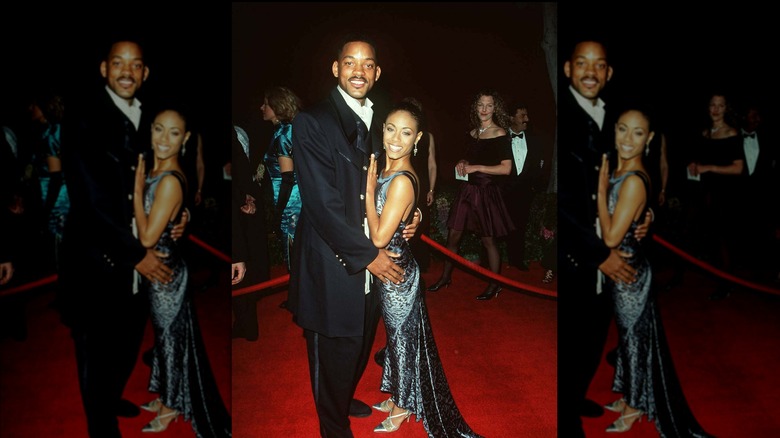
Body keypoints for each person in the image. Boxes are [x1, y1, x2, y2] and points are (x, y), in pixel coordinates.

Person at [286, 34, 419, 437]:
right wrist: (369, 257)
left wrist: (411, 217)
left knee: (359, 342)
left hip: (373, 252)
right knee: (333, 346)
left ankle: (341, 398)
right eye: (350, 62)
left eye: (367, 64)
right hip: (334, 258)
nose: (358, 71)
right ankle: (332, 424)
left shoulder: (381, 119)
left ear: (376, 72)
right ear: (336, 68)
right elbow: (321, 206)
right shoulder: (311, 121)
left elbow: (393, 177)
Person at [57, 39, 185, 438]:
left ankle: (109, 397)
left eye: (135, 64)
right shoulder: (84, 118)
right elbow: (90, 199)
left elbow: (166, 168)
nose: (127, 71)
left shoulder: (149, 117)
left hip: (139, 257)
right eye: (118, 63)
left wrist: (180, 214)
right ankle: (101, 424)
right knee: (95, 348)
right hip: (100, 258)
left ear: (145, 73)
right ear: (104, 69)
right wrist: (136, 255)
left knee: (127, 341)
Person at [366, 101, 482, 436]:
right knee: (397, 337)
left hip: (397, 275)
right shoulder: (386, 170)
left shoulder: (399, 180)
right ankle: (397, 392)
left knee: (402, 340)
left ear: (418, 138)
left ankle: (402, 407)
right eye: (390, 129)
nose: (396, 138)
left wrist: (369, 192)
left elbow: (378, 237)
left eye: (406, 132)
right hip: (393, 271)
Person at [597, 106, 712, 436]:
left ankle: (634, 405)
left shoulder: (631, 179)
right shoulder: (621, 171)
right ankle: (631, 393)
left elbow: (610, 237)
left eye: (637, 133)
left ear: (648, 139)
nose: (628, 139)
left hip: (628, 273)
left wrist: (602, 190)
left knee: (633, 339)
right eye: (622, 129)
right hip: (625, 270)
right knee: (630, 336)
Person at [557, 39, 647, 438]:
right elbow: (561, 204)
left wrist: (644, 215)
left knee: (593, 335)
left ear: (609, 73)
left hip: (607, 248)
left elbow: (631, 170)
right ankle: (565, 415)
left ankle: (574, 397)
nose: (590, 71)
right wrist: (598, 254)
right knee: (570, 338)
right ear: (567, 69)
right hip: (578, 255)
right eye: (582, 63)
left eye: (599, 65)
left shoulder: (614, 119)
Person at [133, 105, 231, 436]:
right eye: (159, 129)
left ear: (185, 138)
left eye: (173, 133)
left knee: (170, 340)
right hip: (157, 270)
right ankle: (165, 396)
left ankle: (173, 405)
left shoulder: (170, 180)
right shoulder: (157, 172)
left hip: (166, 275)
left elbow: (146, 236)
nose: (164, 138)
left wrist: (135, 189)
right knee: (165, 339)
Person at [427, 89, 515, 300]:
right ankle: (446, 277)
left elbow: (506, 169)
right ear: (475, 108)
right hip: (467, 192)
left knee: (488, 241)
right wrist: (463, 162)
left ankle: (495, 284)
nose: (484, 109)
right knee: (453, 236)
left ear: (496, 108)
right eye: (480, 105)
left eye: (489, 105)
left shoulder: (500, 133)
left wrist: (476, 167)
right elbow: (468, 160)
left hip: (486, 192)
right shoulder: (473, 133)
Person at [686, 92, 745, 300]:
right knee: (710, 236)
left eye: (721, 105)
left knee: (724, 239)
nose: (716, 109)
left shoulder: (732, 133)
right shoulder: (704, 133)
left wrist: (709, 167)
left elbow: (738, 168)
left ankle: (727, 282)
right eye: (713, 105)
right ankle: (719, 276)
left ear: (726, 108)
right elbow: (700, 160)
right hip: (707, 191)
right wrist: (694, 164)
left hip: (727, 193)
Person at [231, 123, 269, 341]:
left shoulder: (237, 133)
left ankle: (247, 326)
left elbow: (240, 169)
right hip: (242, 201)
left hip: (239, 208)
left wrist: (246, 195)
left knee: (238, 273)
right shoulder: (237, 132)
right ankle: (245, 323)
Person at [27, 93, 69, 270]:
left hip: (58, 203)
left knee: (61, 254)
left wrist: (46, 210)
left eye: (33, 105)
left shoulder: (51, 133)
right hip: (62, 198)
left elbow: (56, 175)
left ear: (44, 107)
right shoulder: (57, 128)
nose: (29, 109)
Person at [503, 101, 546, 271]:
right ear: (511, 117)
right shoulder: (500, 138)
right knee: (495, 229)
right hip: (501, 193)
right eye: (523, 115)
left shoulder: (535, 140)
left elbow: (539, 166)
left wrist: (533, 188)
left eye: (527, 115)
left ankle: (516, 261)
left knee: (519, 228)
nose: (527, 119)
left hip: (524, 194)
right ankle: (489, 265)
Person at [404, 96, 437, 274]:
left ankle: (421, 264)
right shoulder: (403, 134)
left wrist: (432, 189)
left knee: (422, 225)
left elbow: (432, 164)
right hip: (404, 183)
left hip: (422, 186)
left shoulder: (428, 136)